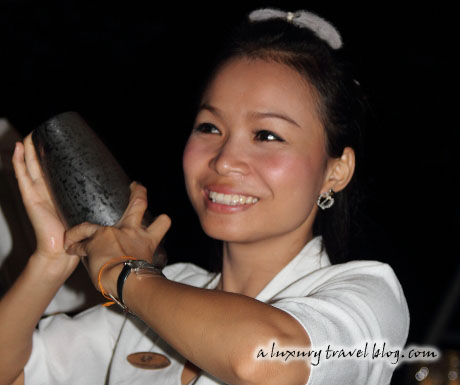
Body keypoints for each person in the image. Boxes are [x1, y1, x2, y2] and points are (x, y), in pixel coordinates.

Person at [0, 8, 409, 385]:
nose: (225, 159)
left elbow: (263, 359)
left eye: (267, 135)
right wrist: (51, 261)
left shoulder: (368, 298)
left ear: (336, 172)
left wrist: (121, 273)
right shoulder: (164, 289)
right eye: (209, 127)